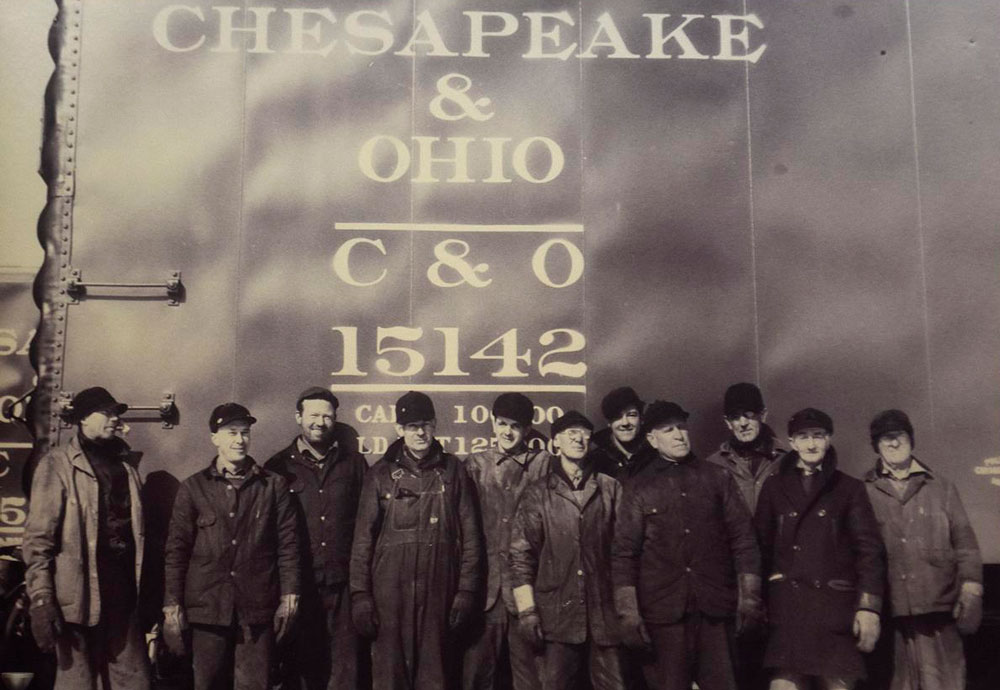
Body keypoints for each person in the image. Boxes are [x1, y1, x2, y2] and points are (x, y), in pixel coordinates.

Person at [612, 400, 762, 690]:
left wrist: (750, 599)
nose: (679, 435)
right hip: (664, 616)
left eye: (682, 428)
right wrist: (628, 613)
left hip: (716, 612)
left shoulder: (717, 477)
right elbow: (624, 555)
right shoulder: (638, 488)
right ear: (652, 439)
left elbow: (743, 540)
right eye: (668, 430)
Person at [349, 391, 482, 690]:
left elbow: (472, 538)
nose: (420, 432)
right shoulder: (379, 475)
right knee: (389, 679)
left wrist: (466, 591)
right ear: (399, 429)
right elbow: (362, 543)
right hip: (389, 601)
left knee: (435, 680)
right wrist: (360, 596)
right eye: (411, 426)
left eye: (425, 424)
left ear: (435, 424)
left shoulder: (453, 471)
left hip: (440, 596)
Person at [163, 403, 300, 690]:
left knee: (254, 684)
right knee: (209, 684)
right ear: (215, 437)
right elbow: (176, 551)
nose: (239, 440)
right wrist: (172, 605)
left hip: (257, 608)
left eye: (245, 432)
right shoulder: (193, 488)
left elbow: (288, 546)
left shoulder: (273, 486)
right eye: (231, 433)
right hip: (208, 609)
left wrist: (289, 597)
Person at [23, 386, 151, 690]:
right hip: (77, 603)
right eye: (105, 413)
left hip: (123, 600)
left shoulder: (126, 469)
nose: (114, 419)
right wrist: (41, 599)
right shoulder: (58, 465)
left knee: (135, 683)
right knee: (77, 684)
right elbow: (38, 542)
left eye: (116, 413)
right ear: (82, 418)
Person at [753, 408, 885, 690]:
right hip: (788, 613)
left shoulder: (849, 489)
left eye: (818, 436)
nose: (811, 444)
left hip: (834, 614)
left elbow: (869, 552)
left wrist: (868, 608)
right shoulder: (774, 488)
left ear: (829, 440)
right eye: (803, 437)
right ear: (792, 442)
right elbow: (759, 550)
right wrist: (759, 601)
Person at [862, 409, 983, 690]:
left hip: (939, 611)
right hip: (892, 615)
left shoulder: (941, 487)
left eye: (899, 436)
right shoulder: (864, 490)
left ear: (911, 440)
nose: (893, 443)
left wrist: (971, 589)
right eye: (885, 438)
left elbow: (965, 544)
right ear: (876, 445)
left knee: (945, 683)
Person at [508, 410, 625, 690]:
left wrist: (627, 609)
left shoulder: (610, 488)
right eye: (570, 433)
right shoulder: (538, 493)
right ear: (555, 443)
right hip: (557, 618)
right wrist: (527, 612)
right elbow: (521, 556)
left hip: (604, 617)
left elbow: (626, 552)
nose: (579, 439)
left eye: (584, 433)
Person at [265, 388, 368, 690]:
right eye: (313, 415)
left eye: (327, 416)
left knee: (345, 671)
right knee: (302, 670)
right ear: (299, 418)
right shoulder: (278, 468)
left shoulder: (354, 464)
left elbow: (367, 523)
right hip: (301, 587)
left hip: (344, 585)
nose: (320, 422)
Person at [462, 392, 549, 690]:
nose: (507, 432)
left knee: (531, 679)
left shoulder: (542, 465)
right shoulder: (474, 465)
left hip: (527, 593)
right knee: (475, 677)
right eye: (501, 424)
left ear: (526, 430)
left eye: (515, 426)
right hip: (485, 592)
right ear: (492, 424)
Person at [706, 383, 784, 513]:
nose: (743, 423)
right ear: (728, 423)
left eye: (749, 414)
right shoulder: (713, 466)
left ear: (763, 415)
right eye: (735, 417)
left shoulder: (785, 459)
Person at [590, 387, 649, 480]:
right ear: (609, 422)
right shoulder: (595, 461)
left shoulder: (656, 454)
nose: (625, 423)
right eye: (617, 416)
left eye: (631, 415)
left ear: (641, 419)